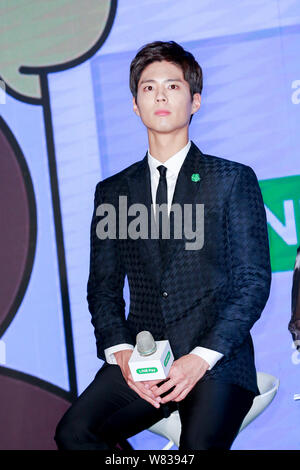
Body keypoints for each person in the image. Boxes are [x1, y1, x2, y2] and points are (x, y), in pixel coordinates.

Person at [54, 40, 271, 450]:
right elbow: (102, 287)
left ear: (196, 101)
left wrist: (201, 357)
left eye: (173, 86)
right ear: (136, 105)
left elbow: (253, 282)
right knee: (74, 433)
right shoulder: (113, 191)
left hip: (216, 362)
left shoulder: (231, 180)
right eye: (148, 88)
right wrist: (120, 352)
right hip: (145, 360)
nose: (160, 96)